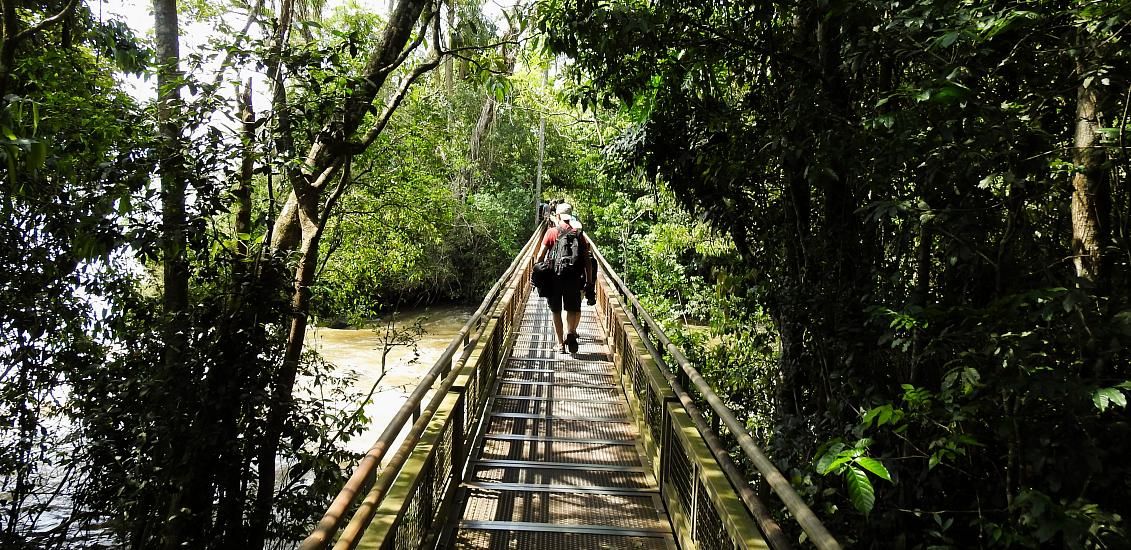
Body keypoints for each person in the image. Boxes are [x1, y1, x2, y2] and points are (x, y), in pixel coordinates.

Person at [539, 202, 593, 354]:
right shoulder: (578, 234)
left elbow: (540, 256)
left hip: (554, 277)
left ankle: (560, 344)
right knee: (571, 308)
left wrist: (537, 273)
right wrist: (589, 281)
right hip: (574, 277)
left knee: (556, 310)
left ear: (557, 215)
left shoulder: (551, 232)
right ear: (571, 216)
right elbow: (587, 259)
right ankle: (571, 331)